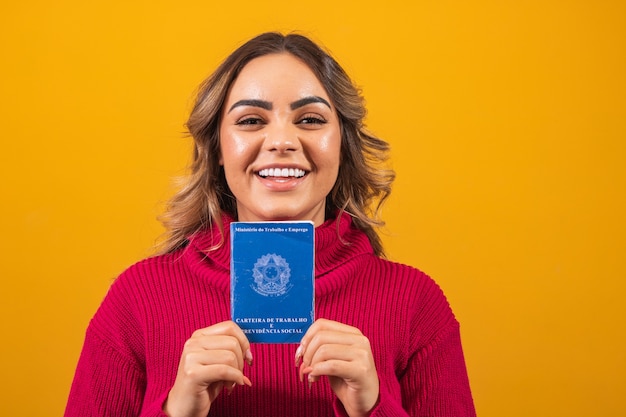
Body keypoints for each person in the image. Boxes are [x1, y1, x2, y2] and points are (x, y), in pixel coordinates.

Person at [64, 32, 476, 417]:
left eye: (311, 120)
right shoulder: (137, 299)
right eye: (250, 121)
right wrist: (175, 410)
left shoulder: (416, 303)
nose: (282, 140)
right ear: (218, 148)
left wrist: (372, 406)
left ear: (342, 144)